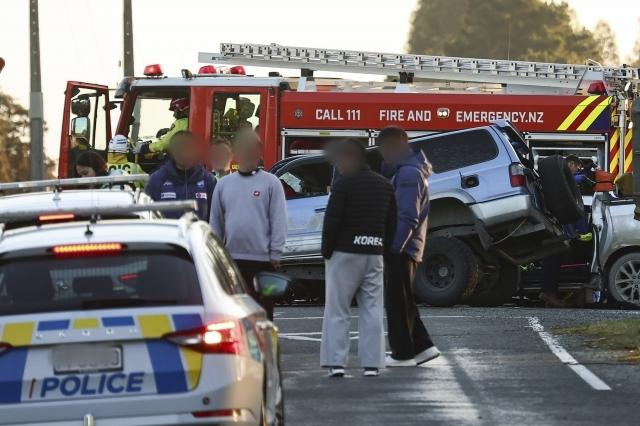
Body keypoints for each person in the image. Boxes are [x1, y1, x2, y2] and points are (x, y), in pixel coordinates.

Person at [319, 139, 396, 378]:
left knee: (337, 309)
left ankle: (336, 363)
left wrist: (327, 251)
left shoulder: (343, 185)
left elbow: (332, 221)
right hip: (374, 253)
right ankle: (372, 364)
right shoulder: (385, 185)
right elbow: (391, 223)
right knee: (372, 309)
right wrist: (383, 248)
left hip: (344, 253)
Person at [376, 126, 440, 367]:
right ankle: (423, 346)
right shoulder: (410, 171)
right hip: (407, 246)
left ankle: (403, 353)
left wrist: (394, 247)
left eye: (384, 150)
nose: (383, 156)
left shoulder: (408, 174)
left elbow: (407, 216)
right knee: (403, 300)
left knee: (396, 301)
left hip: (401, 246)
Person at [209, 130, 287, 320]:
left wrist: (276, 252)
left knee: (263, 313)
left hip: (263, 260)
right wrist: (215, 256)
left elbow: (279, 219)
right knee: (233, 313)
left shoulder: (271, 183)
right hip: (231, 260)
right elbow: (216, 222)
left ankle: (264, 348)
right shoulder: (223, 185)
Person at [540, 155, 590, 307]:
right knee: (555, 254)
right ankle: (549, 293)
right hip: (552, 225)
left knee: (558, 254)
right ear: (571, 164)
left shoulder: (560, 178)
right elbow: (570, 184)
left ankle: (551, 292)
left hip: (558, 226)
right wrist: (584, 177)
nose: (576, 171)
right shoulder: (560, 178)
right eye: (576, 168)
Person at [145, 131, 216, 221]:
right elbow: (147, 215)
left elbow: (215, 217)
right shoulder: (157, 179)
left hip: (198, 234)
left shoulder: (208, 179)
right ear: (172, 151)